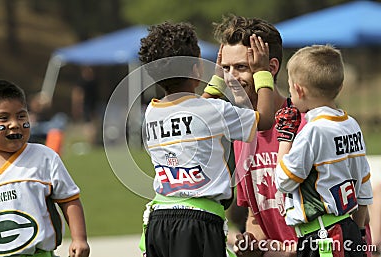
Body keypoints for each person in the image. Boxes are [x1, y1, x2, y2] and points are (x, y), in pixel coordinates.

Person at [138, 21, 275, 257]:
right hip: (199, 220)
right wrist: (262, 71)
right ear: (197, 69)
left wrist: (217, 80)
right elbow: (264, 119)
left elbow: (195, 107)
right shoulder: (216, 110)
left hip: (159, 218)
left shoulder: (151, 112)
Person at [203, 15, 305, 256]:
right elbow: (255, 216)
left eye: (241, 67)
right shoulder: (241, 133)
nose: (230, 78)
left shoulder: (306, 126)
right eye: (225, 68)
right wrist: (250, 243)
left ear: (269, 68)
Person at [274, 44, 373, 257]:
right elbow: (363, 186)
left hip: (322, 237)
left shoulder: (313, 131)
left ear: (299, 89)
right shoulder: (352, 125)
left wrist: (284, 138)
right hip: (348, 230)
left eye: (290, 87)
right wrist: (361, 233)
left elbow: (283, 180)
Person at [0, 80, 90, 257]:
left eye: (21, 116)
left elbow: (69, 199)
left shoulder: (45, 157)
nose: (15, 124)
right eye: (4, 118)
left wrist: (79, 239)